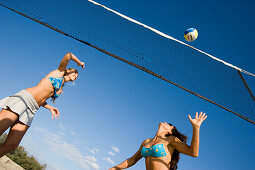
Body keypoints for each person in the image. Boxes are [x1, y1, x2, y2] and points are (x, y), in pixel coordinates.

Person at [0, 52, 84, 157]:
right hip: (26, 99)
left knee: (12, 144)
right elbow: (68, 55)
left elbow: (42, 98)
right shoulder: (59, 72)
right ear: (68, 70)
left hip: (32, 109)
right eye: (75, 72)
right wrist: (79, 62)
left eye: (77, 75)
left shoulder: (61, 89)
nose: (76, 75)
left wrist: (50, 107)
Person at [110, 112, 207, 170]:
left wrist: (196, 128)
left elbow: (194, 152)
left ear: (170, 131)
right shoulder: (146, 142)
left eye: (169, 124)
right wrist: (115, 168)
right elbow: (132, 160)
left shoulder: (171, 140)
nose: (166, 122)